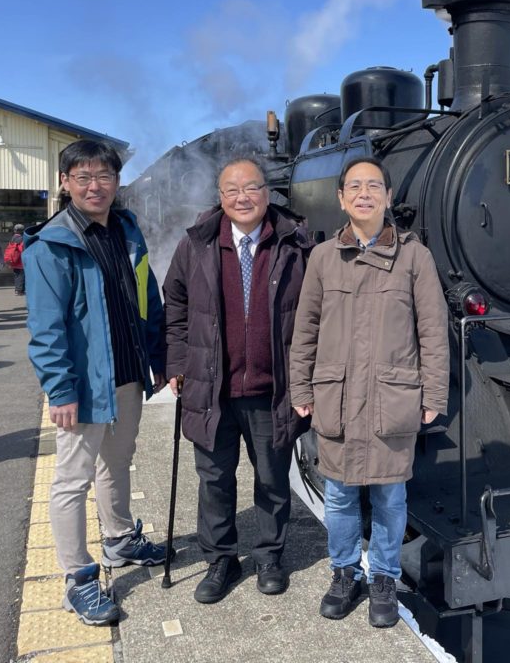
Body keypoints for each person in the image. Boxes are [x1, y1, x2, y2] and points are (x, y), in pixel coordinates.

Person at [289, 156, 449, 628]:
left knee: (390, 498)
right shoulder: (322, 258)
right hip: (337, 396)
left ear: (388, 197)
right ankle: (343, 573)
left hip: (391, 397)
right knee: (339, 496)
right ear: (340, 198)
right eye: (354, 186)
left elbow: (433, 333)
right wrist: (301, 385)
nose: (364, 194)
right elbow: (306, 330)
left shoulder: (415, 257)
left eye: (373, 186)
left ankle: (382, 576)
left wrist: (433, 395)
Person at [24, 139, 168, 626]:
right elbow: (47, 329)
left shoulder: (127, 229)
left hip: (128, 374)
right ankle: (78, 579)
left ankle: (119, 540)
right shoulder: (50, 245)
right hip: (83, 385)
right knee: (71, 480)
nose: (94, 186)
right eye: (82, 177)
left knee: (118, 461)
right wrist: (59, 390)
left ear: (116, 181)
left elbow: (148, 296)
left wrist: (160, 355)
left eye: (103, 176)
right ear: (64, 183)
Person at [163, 156, 312, 604]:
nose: (242, 197)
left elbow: (316, 315)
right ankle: (220, 558)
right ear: (221, 197)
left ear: (267, 193)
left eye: (251, 188)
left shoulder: (294, 243)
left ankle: (269, 556)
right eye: (232, 190)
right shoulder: (197, 245)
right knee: (214, 479)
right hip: (213, 388)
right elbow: (175, 307)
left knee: (271, 479)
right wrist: (176, 363)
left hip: (272, 389)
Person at [5, 223, 26, 295]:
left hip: (14, 260)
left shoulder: (13, 238)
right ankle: (20, 290)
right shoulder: (22, 239)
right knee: (21, 275)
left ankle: (17, 289)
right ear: (22, 230)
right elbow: (22, 249)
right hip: (20, 260)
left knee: (17, 275)